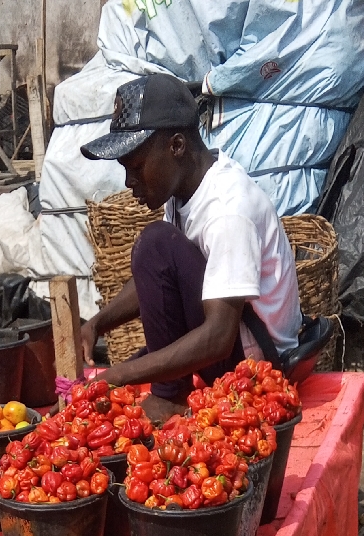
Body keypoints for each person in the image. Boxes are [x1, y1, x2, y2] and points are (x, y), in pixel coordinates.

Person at [80, 76, 302, 424]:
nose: (129, 182)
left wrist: (119, 375)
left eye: (136, 167)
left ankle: (169, 396)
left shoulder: (228, 209)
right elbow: (161, 277)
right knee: (155, 249)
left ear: (177, 146)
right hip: (235, 344)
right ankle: (169, 388)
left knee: (155, 244)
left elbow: (218, 338)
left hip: (258, 366)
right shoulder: (185, 189)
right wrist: (97, 324)